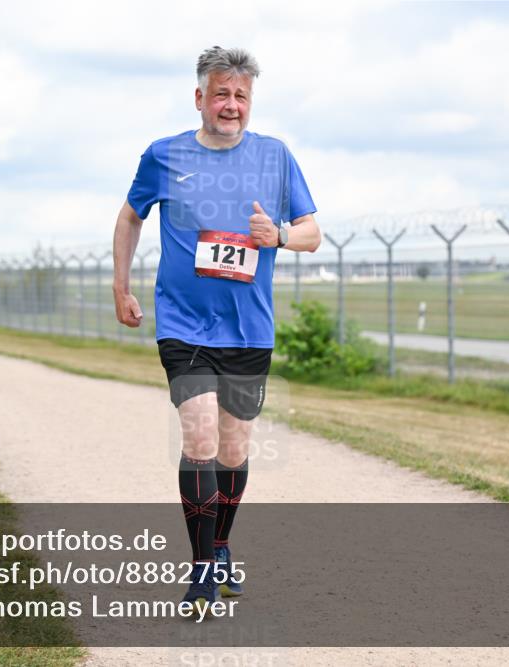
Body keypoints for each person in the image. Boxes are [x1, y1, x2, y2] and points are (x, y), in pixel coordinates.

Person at [112, 46, 320, 612]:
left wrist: (276, 236)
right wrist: (121, 285)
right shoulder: (164, 154)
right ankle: (202, 568)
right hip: (182, 322)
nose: (231, 105)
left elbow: (312, 233)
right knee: (199, 437)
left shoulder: (275, 157)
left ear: (251, 103)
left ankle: (221, 544)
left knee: (233, 448)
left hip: (249, 328)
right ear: (200, 97)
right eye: (221, 93)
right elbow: (131, 215)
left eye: (241, 96)